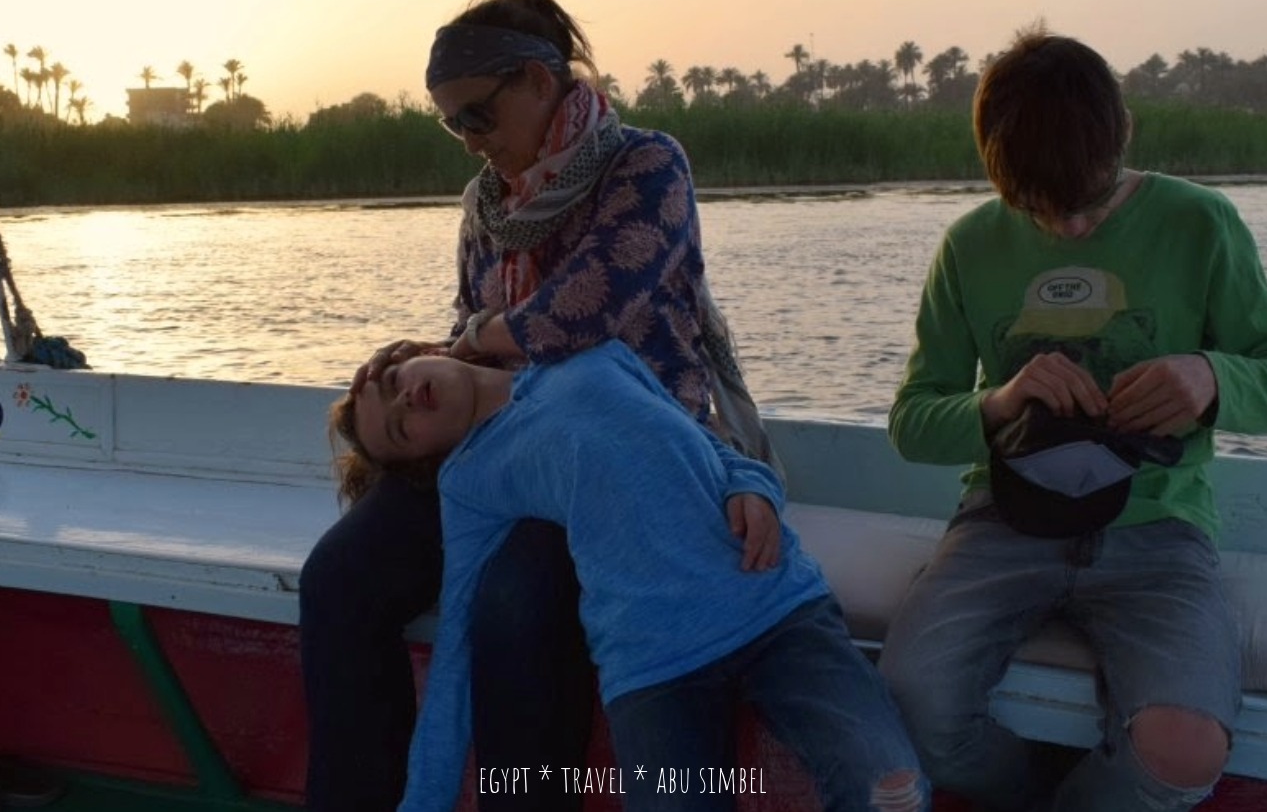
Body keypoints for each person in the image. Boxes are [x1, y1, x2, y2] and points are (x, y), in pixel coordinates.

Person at [298, 0, 777, 812]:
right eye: (454, 127)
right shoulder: (485, 207)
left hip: (617, 454)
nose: (473, 140)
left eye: (479, 114)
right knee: (338, 576)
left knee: (516, 602)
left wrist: (476, 339)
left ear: (539, 80)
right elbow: (473, 335)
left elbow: (581, 312)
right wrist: (418, 360)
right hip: (504, 447)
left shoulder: (646, 166)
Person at [878, 26, 1267, 812]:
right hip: (1003, 518)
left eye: (1090, 200)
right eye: (1040, 208)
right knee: (911, 706)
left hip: (1159, 528)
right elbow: (912, 420)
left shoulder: (1201, 224)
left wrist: (1210, 374)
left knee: (1185, 751)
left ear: (1125, 134)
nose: (1070, 227)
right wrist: (998, 405)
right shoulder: (968, 245)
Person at [333, 339, 928, 812]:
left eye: (394, 384)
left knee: (889, 788)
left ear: (421, 353)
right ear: (425, 458)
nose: (407, 402)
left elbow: (716, 448)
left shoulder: (593, 356)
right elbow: (458, 647)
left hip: (775, 611)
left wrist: (755, 488)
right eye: (400, 429)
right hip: (653, 669)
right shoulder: (468, 483)